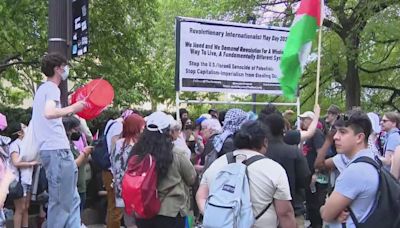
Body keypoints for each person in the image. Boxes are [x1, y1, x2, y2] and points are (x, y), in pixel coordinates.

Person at [196, 120, 296, 228]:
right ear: (265, 142)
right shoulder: (273, 169)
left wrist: (216, 218)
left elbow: (201, 196)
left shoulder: (217, 164)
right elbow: (285, 213)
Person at [32, 53, 86, 227]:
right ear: (57, 68)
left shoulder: (42, 90)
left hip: (52, 151)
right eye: (64, 66)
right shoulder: (51, 89)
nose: (65, 70)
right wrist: (73, 108)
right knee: (62, 203)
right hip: (57, 151)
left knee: (71, 198)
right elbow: (49, 113)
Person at [131, 111, 196, 228]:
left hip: (144, 209)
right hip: (171, 211)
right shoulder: (176, 153)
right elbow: (191, 178)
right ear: (167, 132)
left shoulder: (137, 152)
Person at [320, 111, 379, 228]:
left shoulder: (356, 171)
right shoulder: (372, 160)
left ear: (359, 137)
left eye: (343, 132)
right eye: (337, 132)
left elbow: (326, 215)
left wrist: (324, 208)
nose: (336, 137)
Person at [259, 113, 310, 228]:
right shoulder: (294, 152)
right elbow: (305, 179)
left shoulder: (259, 154)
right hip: (293, 210)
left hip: (264, 214)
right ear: (283, 129)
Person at [110, 114, 144, 228]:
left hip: (122, 186)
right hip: (138, 187)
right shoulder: (140, 146)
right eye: (142, 126)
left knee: (128, 219)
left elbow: (115, 165)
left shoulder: (119, 144)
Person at [102, 109, 136, 228]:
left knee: (113, 207)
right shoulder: (118, 126)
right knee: (116, 209)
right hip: (113, 171)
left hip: (110, 170)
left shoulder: (111, 123)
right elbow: (114, 149)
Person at [299, 109, 326, 228]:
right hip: (308, 174)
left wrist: (316, 172)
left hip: (316, 176)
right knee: (310, 202)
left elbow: (321, 153)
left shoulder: (317, 134)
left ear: (311, 120)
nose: (302, 121)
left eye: (304, 119)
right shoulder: (307, 135)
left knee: (316, 203)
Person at [9, 123, 39, 228]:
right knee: (20, 208)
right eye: (24, 127)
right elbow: (16, 162)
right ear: (19, 133)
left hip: (28, 179)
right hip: (19, 181)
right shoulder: (15, 145)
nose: (27, 128)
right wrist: (31, 163)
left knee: (26, 207)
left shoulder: (27, 144)